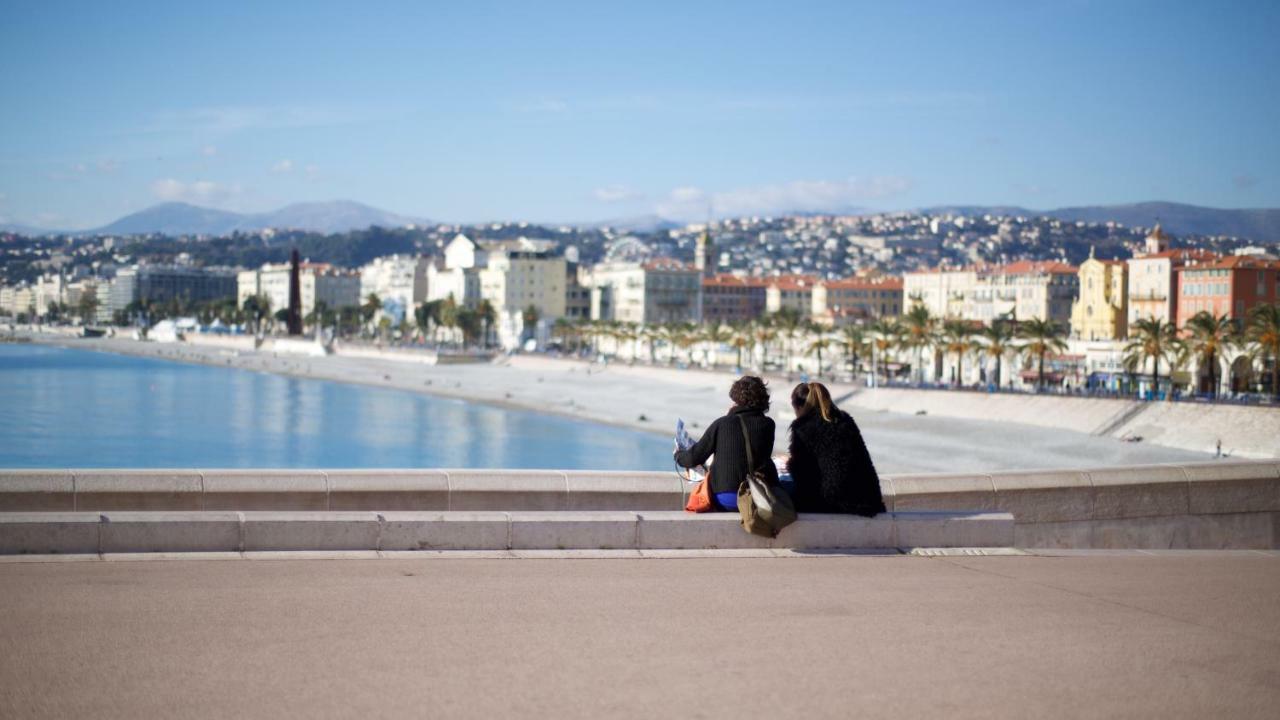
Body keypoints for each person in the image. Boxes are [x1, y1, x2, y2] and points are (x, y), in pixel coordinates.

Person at [675, 375, 778, 511]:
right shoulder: (769, 425)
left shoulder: (722, 423)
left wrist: (678, 455)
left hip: (727, 498)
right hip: (758, 496)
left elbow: (694, 457)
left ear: (736, 399)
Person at [786, 382, 885, 516]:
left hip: (833, 503)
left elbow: (801, 475)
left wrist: (788, 464)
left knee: (782, 489)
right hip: (867, 501)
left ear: (798, 406)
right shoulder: (845, 420)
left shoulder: (803, 428)